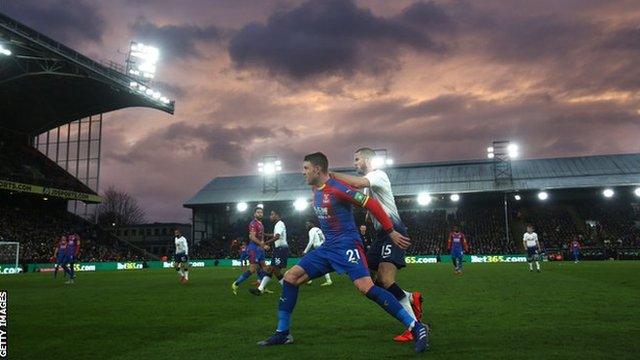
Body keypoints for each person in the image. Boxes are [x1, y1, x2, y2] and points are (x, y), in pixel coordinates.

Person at [257, 152, 429, 353]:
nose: (302, 172)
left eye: (305, 168)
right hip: (328, 248)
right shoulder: (315, 189)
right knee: (290, 278)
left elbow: (371, 204)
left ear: (317, 169)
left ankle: (416, 328)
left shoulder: (338, 189)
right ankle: (283, 333)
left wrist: (390, 231)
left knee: (367, 287)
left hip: (348, 247)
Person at [330, 147, 423, 342]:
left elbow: (356, 182)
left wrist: (329, 174)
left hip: (393, 231)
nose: (354, 163)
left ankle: (414, 327)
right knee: (372, 280)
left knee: (387, 280)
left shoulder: (378, 175)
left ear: (366, 159)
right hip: (381, 234)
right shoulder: (368, 185)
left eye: (357, 159)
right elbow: (362, 198)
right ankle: (409, 297)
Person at [232, 207, 269, 294]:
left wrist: (263, 245)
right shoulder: (253, 223)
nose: (260, 214)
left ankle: (262, 287)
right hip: (254, 249)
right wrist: (262, 244)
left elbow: (261, 237)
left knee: (264, 267)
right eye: (258, 212)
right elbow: (252, 237)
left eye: (261, 212)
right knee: (253, 269)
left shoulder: (261, 224)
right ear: (254, 214)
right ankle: (236, 284)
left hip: (260, 249)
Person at [251, 210, 288, 295]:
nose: (270, 216)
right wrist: (264, 234)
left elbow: (277, 236)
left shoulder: (279, 224)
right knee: (273, 271)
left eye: (272, 214)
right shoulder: (278, 224)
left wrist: (266, 243)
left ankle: (260, 289)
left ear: (277, 215)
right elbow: (274, 234)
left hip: (281, 249)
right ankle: (260, 289)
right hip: (279, 249)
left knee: (273, 269)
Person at [302, 220, 332, 286]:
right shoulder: (318, 229)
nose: (306, 226)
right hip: (323, 246)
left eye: (307, 224)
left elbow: (311, 242)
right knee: (322, 263)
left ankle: (309, 279)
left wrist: (305, 251)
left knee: (312, 262)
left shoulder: (311, 231)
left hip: (318, 248)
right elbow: (324, 238)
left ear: (310, 225)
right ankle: (328, 280)